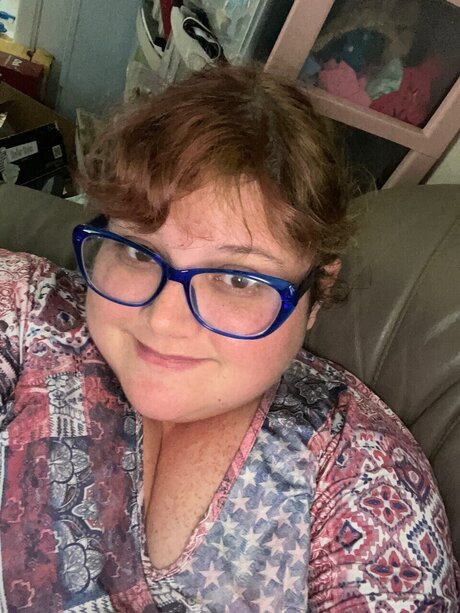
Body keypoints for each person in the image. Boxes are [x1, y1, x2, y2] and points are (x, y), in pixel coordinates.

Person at [0, 65, 458, 612]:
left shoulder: (365, 482)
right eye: (138, 251)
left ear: (315, 295)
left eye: (238, 279)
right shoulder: (27, 309)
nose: (164, 320)